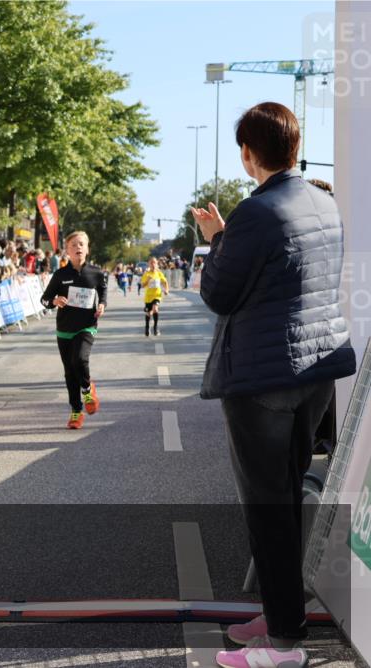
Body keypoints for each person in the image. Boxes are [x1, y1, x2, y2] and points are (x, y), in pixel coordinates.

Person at [190, 102, 355, 668]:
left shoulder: (256, 213)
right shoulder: (323, 202)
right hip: (315, 370)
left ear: (247, 153)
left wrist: (215, 238)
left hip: (263, 378)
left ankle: (283, 645)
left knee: (268, 507)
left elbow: (218, 294)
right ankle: (279, 612)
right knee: (284, 498)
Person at [40, 231, 108, 430]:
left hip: (87, 326)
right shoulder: (60, 275)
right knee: (69, 372)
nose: (78, 248)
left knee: (79, 359)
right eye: (73, 245)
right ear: (67, 251)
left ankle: (87, 389)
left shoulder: (96, 273)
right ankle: (76, 411)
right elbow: (44, 299)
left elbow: (102, 290)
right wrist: (54, 301)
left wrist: (102, 304)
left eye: (81, 244)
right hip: (64, 330)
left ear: (87, 248)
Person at [140, 257, 168, 337]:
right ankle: (147, 327)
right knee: (148, 313)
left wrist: (166, 290)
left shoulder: (159, 273)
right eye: (151, 263)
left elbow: (165, 282)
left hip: (157, 295)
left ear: (157, 264)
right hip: (148, 297)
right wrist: (147, 280)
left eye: (154, 263)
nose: (153, 264)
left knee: (155, 309)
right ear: (149, 264)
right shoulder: (146, 274)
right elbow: (142, 285)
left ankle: (155, 328)